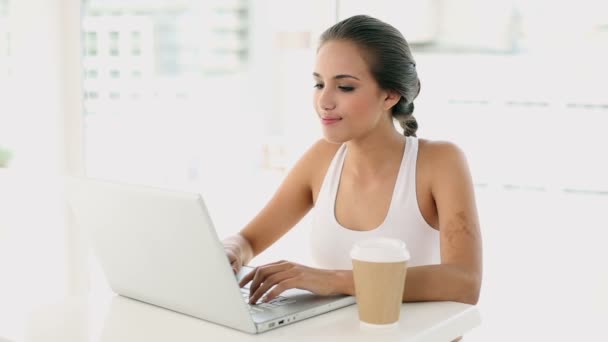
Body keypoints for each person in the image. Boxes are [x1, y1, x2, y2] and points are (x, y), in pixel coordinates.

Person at [223, 14, 482, 309]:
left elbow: (465, 282)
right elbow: (248, 240)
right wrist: (231, 250)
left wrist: (334, 280)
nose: (325, 101)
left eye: (345, 87)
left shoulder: (440, 162)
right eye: (319, 84)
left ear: (390, 96)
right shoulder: (322, 158)